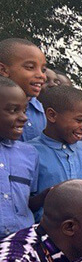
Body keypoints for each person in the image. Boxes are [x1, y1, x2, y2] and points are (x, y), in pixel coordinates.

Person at [28, 86, 82, 214]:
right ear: (52, 115)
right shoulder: (30, 152)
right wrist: (45, 197)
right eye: (79, 120)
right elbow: (24, 203)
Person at [0, 77, 38, 237]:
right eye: (13, 110)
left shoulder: (30, 154)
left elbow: (28, 201)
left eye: (24, 110)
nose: (24, 117)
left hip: (20, 242)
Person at [0, 38, 47, 142]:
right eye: (30, 67)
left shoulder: (41, 111)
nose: (41, 75)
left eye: (43, 70)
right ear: (3, 70)